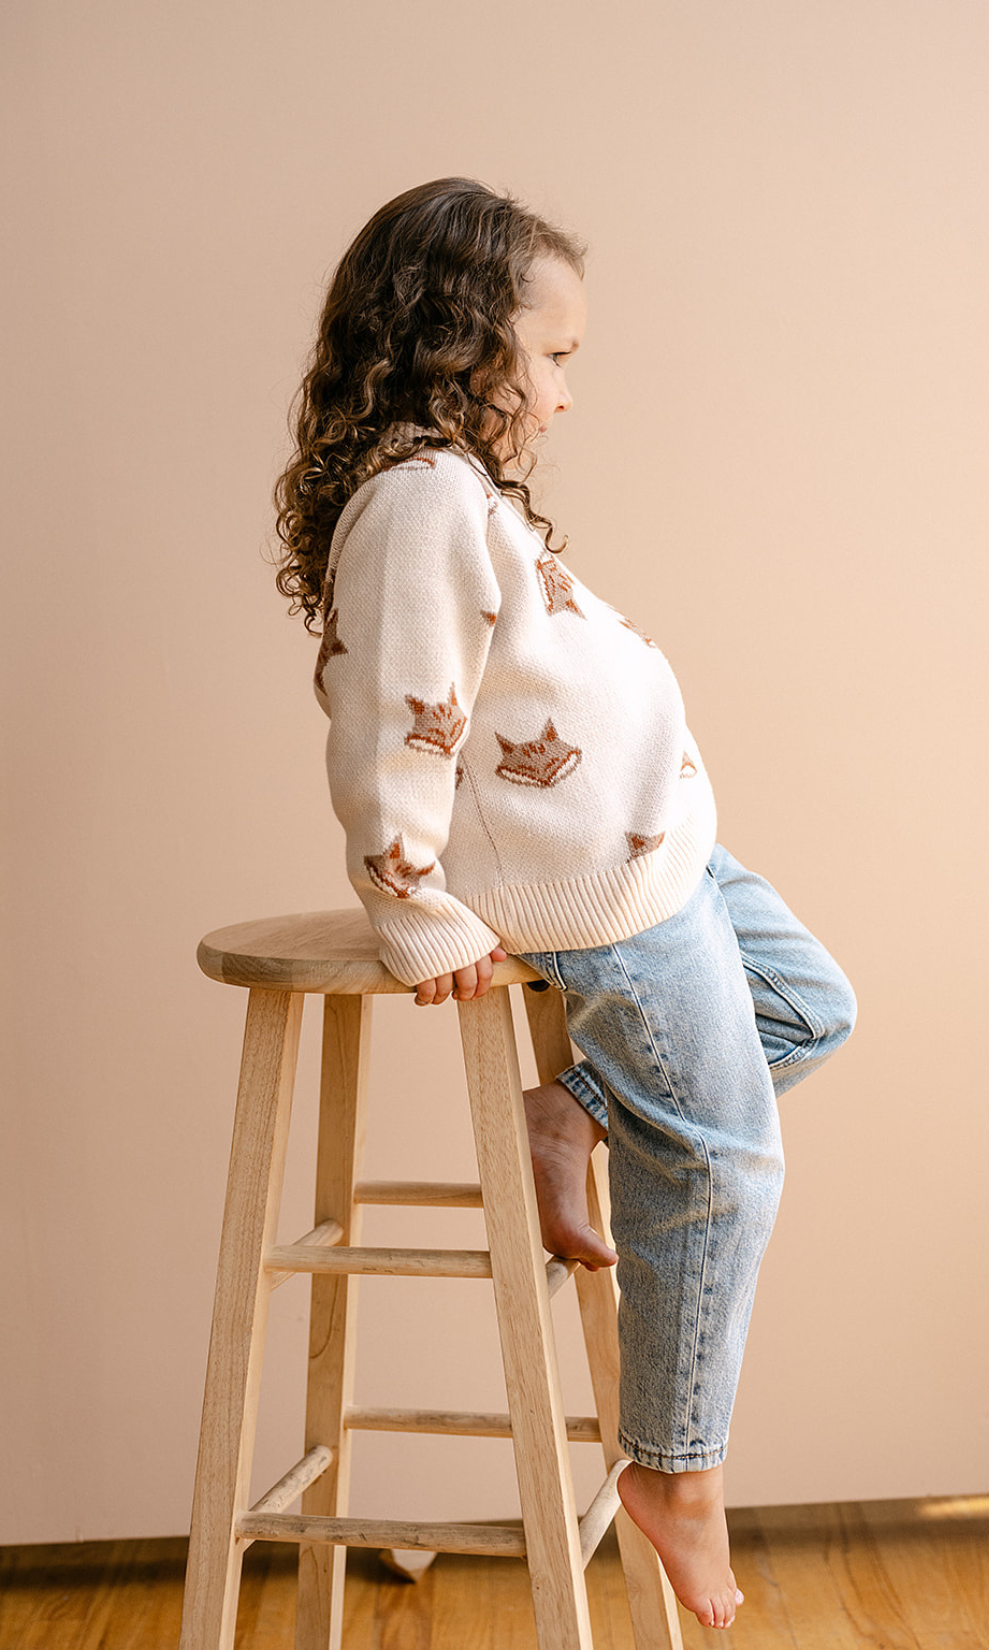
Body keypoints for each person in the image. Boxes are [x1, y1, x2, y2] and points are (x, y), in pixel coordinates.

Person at [273, 176, 857, 1631]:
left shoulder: (459, 493)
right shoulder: (419, 503)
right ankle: (678, 1470)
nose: (562, 391)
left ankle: (572, 1113)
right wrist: (414, 902)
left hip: (663, 851)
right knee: (721, 1160)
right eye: (551, 355)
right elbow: (392, 722)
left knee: (810, 1006)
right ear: (460, 338)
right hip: (602, 900)